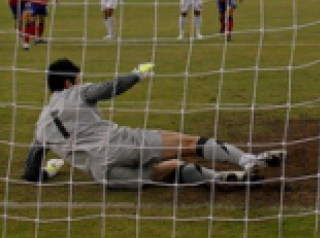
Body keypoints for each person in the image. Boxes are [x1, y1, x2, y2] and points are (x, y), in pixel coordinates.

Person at [22, 58, 286, 190]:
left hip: (107, 176)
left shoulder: (40, 127)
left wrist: (49, 172)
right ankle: (247, 161)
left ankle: (224, 178)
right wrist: (137, 74)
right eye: (78, 79)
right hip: (121, 144)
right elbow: (107, 88)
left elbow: (30, 172)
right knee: (189, 145)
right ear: (69, 83)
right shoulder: (76, 93)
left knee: (168, 170)